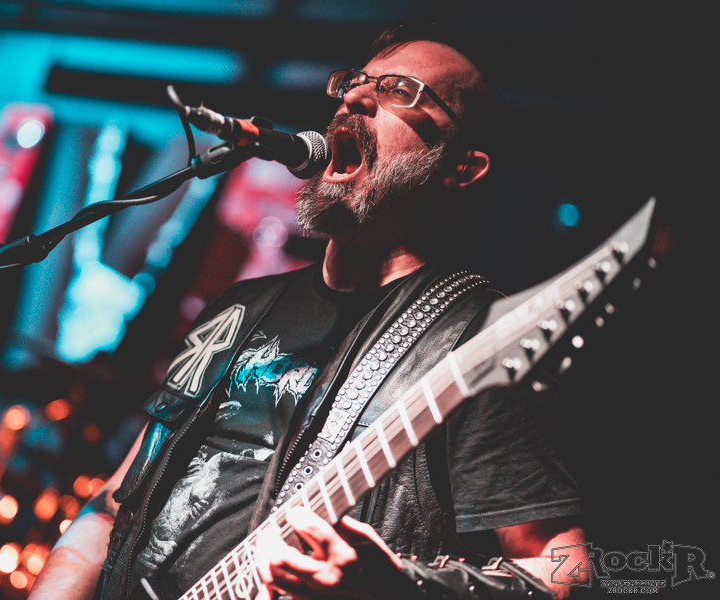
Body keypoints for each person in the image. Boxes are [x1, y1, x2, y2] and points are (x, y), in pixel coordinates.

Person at [30, 25, 588, 600]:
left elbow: (563, 571)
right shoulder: (239, 308)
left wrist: (397, 588)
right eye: (355, 82)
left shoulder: (475, 340)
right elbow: (112, 508)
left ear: (462, 168)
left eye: (400, 90)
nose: (355, 97)